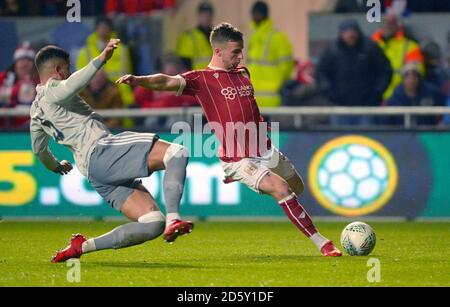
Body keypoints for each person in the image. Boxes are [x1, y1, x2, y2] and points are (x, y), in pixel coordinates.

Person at [117, 23, 342, 257]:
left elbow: (251, 112)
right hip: (237, 156)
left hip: (264, 149)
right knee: (281, 188)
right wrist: (138, 79)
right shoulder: (201, 80)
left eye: (241, 51)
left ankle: (248, 175)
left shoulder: (243, 73)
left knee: (297, 187)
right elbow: (165, 81)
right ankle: (323, 244)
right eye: (235, 52)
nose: (240, 56)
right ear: (218, 52)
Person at [31, 40, 193, 263]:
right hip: (101, 151)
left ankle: (82, 247)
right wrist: (100, 60)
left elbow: (39, 150)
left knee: (152, 222)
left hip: (93, 172)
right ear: (58, 70)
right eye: (67, 68)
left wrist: (56, 165)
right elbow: (71, 86)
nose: (69, 73)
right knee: (177, 152)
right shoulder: (53, 89)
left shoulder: (35, 111)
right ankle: (174, 219)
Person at [317, 19, 392, 126]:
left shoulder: (370, 48)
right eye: (347, 32)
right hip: (339, 107)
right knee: (340, 139)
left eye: (353, 31)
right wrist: (330, 93)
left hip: (366, 107)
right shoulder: (332, 51)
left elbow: (385, 71)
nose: (350, 35)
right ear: (341, 34)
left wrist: (376, 93)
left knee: (365, 139)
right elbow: (321, 73)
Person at [76, 16, 134, 106]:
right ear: (96, 29)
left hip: (119, 92)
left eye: (105, 27)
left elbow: (127, 74)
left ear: (110, 29)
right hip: (93, 94)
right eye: (101, 27)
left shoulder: (122, 49)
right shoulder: (85, 51)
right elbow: (80, 78)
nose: (103, 29)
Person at [247, 1, 294, 108]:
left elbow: (286, 67)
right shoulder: (254, 38)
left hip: (272, 99)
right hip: (255, 99)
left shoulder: (276, 37)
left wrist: (277, 85)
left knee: (269, 125)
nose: (254, 16)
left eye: (256, 13)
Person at [372, 14, 425, 101]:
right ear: (380, 25)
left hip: (401, 97)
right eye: (385, 23)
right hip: (374, 96)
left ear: (398, 25)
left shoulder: (410, 46)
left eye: (392, 23)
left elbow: (419, 71)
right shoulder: (370, 45)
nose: (388, 26)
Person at [382, 63, 446, 126]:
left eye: (414, 75)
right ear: (403, 79)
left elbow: (445, 107)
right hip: (401, 134)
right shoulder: (394, 99)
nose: (411, 80)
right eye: (407, 76)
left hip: (427, 134)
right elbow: (386, 125)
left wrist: (442, 122)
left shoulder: (432, 93)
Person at [0, 42, 38, 129]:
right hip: (5, 132)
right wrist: (16, 90)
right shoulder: (4, 78)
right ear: (15, 63)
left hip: (33, 131)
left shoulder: (42, 80)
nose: (24, 64)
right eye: (21, 60)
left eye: (28, 60)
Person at [175, 1, 214, 71]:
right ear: (198, 15)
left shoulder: (217, 36)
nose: (206, 17)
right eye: (203, 14)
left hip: (214, 77)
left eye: (209, 14)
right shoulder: (189, 37)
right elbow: (185, 63)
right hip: (197, 78)